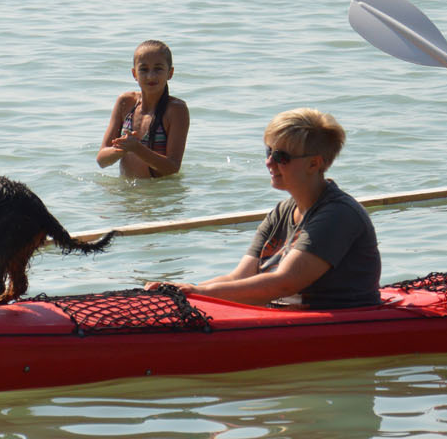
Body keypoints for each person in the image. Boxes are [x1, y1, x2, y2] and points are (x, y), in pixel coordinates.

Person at [159, 108, 380, 307]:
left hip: (339, 320)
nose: (269, 162)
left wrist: (199, 292)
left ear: (314, 164)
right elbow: (239, 278)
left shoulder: (338, 215)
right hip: (287, 314)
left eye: (281, 157)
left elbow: (283, 284)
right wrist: (183, 292)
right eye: (269, 152)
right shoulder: (281, 213)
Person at [96, 39, 189, 178]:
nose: (151, 76)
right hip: (126, 194)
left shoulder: (176, 110)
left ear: (170, 73)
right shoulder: (125, 103)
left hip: (160, 195)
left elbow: (172, 167)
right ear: (134, 74)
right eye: (144, 69)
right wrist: (123, 149)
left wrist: (137, 149)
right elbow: (101, 160)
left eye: (158, 69)